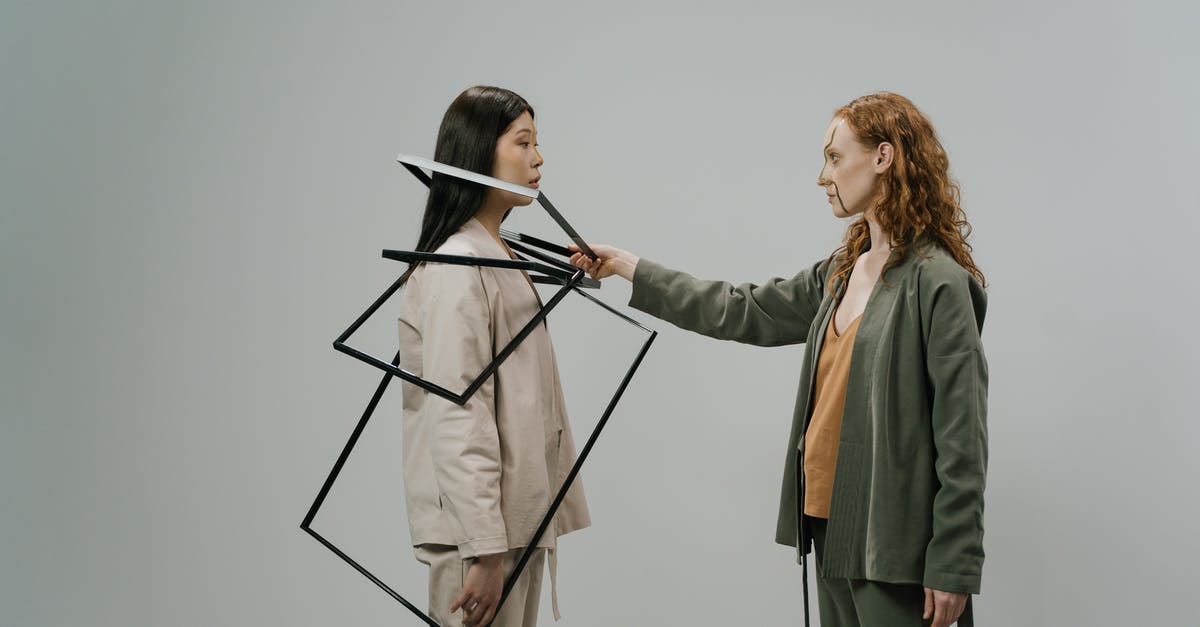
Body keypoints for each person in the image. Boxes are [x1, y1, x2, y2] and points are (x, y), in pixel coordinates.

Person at [571, 92, 987, 627]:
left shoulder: (938, 282)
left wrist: (953, 562)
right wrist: (631, 267)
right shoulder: (841, 271)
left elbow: (963, 436)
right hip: (826, 522)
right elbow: (743, 309)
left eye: (835, 157)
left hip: (893, 540)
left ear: (883, 158)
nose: (822, 175)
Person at [397, 85, 589, 627]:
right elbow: (457, 409)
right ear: (480, 151)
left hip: (511, 528)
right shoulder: (459, 264)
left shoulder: (497, 255)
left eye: (537, 143)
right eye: (523, 142)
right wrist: (483, 549)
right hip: (480, 540)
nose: (538, 158)